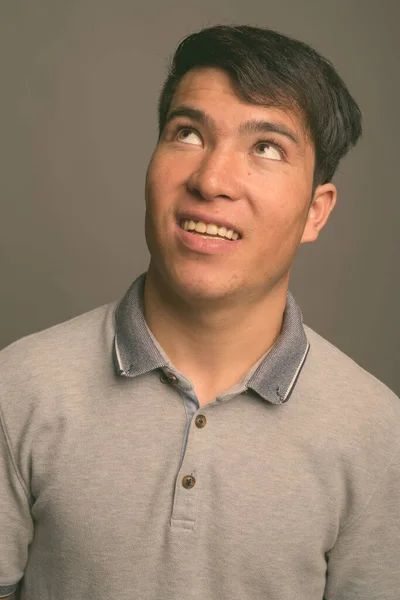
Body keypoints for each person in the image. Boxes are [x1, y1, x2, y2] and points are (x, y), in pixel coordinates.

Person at [0, 24, 399, 600]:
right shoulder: (20, 388)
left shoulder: (376, 432)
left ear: (317, 211)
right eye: (187, 133)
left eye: (266, 148)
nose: (211, 180)